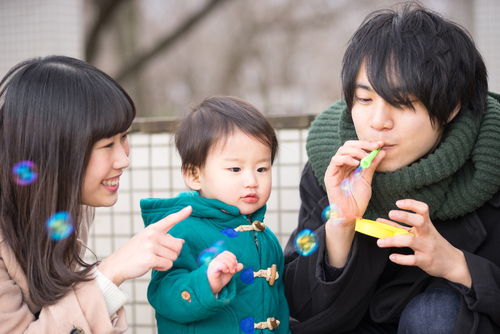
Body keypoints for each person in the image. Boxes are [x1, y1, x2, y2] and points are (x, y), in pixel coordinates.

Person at [283, 3, 500, 334]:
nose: (378, 123)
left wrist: (455, 264)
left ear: (452, 106)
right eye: (365, 100)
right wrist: (338, 226)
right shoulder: (331, 163)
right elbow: (301, 312)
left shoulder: (491, 160)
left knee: (435, 313)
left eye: (402, 102)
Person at [0, 55, 191, 333]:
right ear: (55, 151)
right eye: (107, 144)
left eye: (124, 137)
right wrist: (109, 273)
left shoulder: (59, 210)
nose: (124, 159)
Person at [141, 96, 291, 333]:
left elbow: (278, 307)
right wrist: (205, 283)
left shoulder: (266, 237)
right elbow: (163, 294)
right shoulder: (180, 230)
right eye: (235, 169)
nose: (252, 181)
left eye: (262, 168)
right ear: (194, 175)